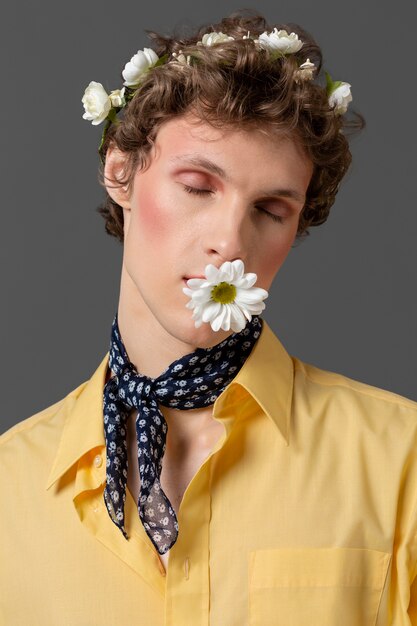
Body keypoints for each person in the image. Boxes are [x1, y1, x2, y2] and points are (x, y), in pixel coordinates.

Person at [1, 10, 417, 625]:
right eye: (198, 186)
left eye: (272, 210)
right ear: (121, 170)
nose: (230, 240)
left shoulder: (401, 461)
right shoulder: (10, 487)